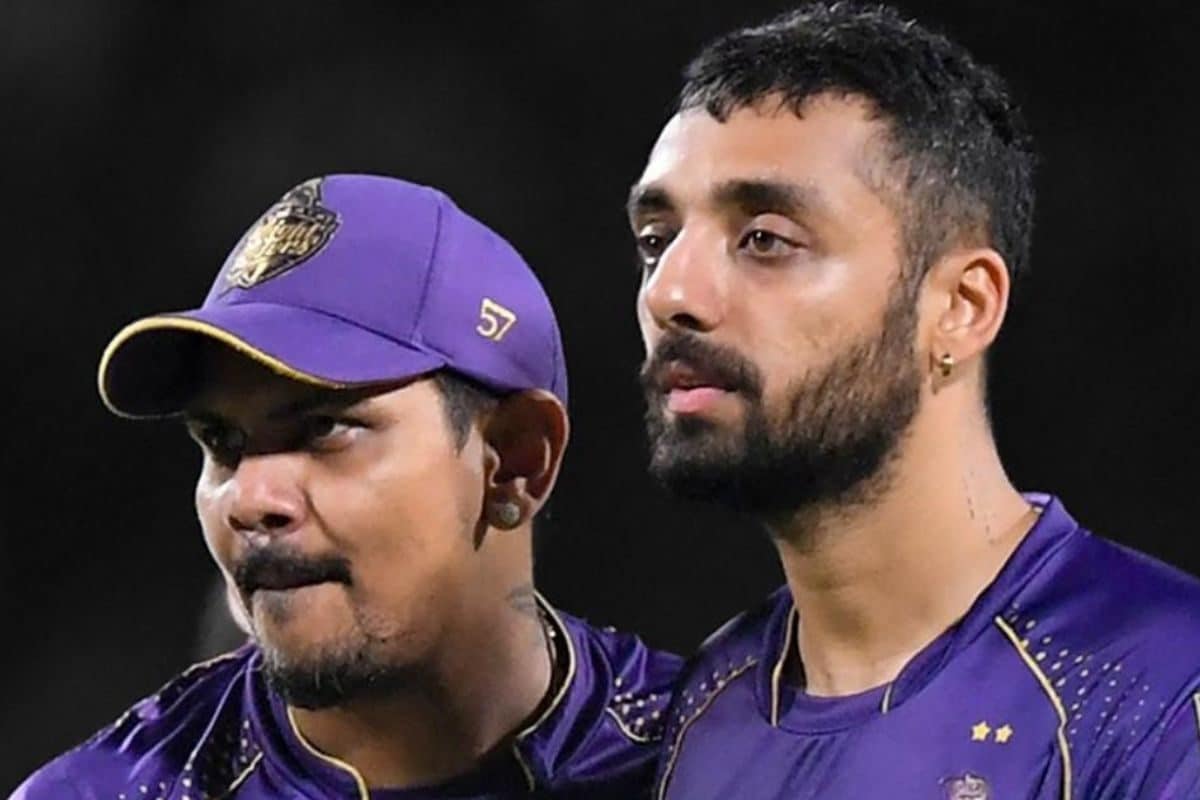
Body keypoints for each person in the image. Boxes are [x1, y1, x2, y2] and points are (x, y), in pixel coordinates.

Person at [626, 4, 1200, 798]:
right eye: (656, 242)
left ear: (961, 307)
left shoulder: (1155, 697)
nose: (670, 294)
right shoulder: (702, 713)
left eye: (765, 239)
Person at [15, 175, 679, 799]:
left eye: (324, 429)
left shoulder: (707, 759)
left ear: (513, 460)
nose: (250, 499)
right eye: (222, 442)